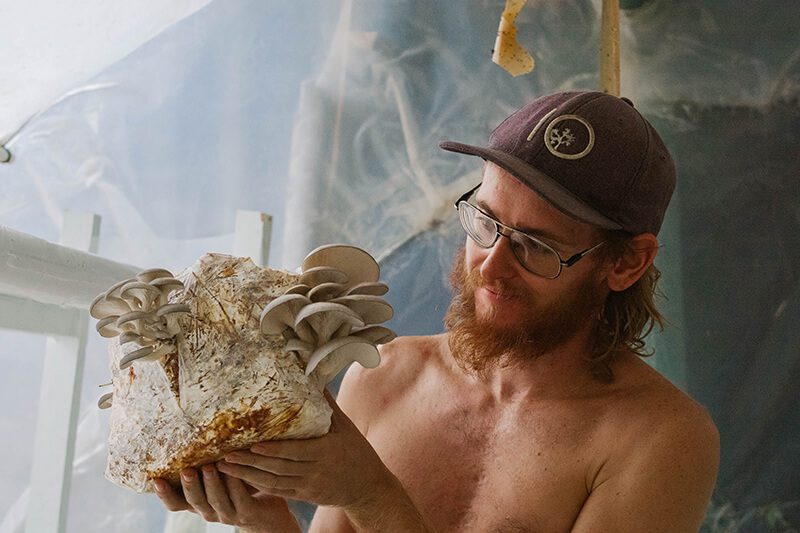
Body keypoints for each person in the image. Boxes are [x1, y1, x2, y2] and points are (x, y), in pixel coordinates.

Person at [154, 90, 720, 532]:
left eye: (536, 246)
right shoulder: (385, 375)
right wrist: (263, 521)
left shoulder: (660, 438)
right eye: (485, 222)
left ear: (626, 263)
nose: (491, 265)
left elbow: (368, 494)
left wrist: (371, 493)